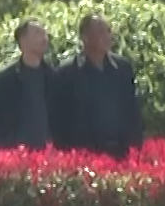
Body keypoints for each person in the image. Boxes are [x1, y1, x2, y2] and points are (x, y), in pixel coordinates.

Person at [52, 13, 144, 159]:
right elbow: (59, 119)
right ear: (85, 38)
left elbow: (132, 111)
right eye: (100, 32)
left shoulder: (122, 68)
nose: (107, 37)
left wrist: (136, 148)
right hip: (84, 155)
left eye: (108, 31)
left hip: (119, 153)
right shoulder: (68, 72)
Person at [0, 19, 55, 150]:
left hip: (47, 155)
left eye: (45, 34)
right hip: (16, 154)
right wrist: (8, 145)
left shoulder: (53, 77)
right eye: (38, 33)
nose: (44, 38)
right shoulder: (4, 79)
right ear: (23, 41)